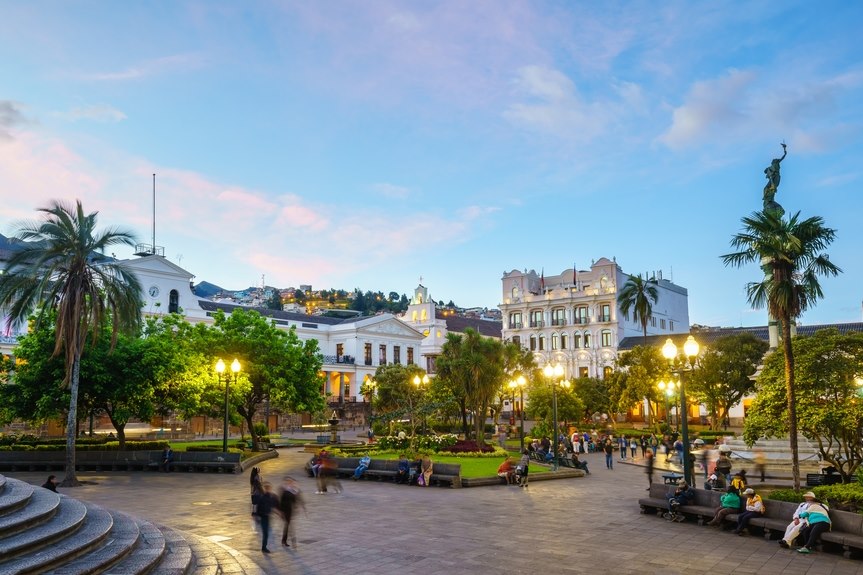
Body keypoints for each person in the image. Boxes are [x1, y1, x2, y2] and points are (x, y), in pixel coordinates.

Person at [278, 476, 306, 548]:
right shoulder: (284, 490)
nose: (291, 483)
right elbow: (281, 501)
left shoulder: (293, 490)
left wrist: (298, 506)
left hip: (290, 510)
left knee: (287, 526)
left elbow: (295, 500)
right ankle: (293, 542)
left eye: (291, 482)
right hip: (285, 511)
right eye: (289, 482)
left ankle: (284, 540)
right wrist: (281, 512)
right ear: (287, 483)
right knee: (290, 526)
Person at [252, 482, 278, 553]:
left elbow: (272, 506)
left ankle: (264, 547)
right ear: (265, 489)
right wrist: (255, 516)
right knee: (265, 533)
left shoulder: (271, 496)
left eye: (269, 489)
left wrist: (278, 513)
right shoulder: (261, 497)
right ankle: (264, 548)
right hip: (263, 517)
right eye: (268, 489)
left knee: (267, 533)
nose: (269, 490)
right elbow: (256, 507)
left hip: (267, 516)